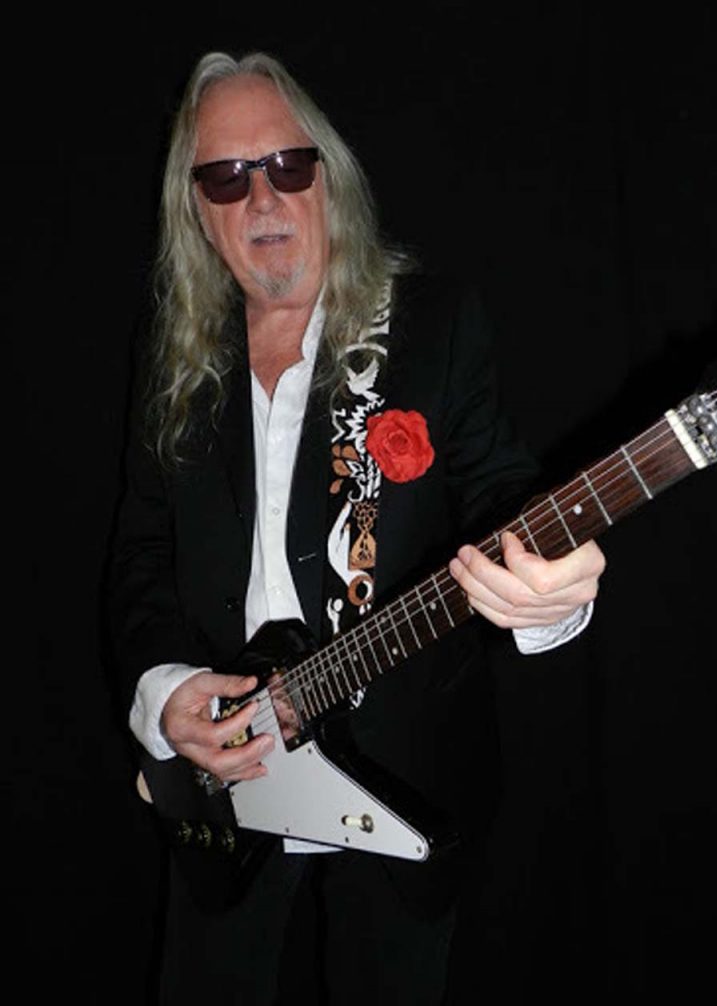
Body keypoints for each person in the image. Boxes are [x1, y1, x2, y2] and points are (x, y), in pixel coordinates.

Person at [109, 50, 605, 1005]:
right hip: (224, 776)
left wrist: (551, 601)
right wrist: (163, 694)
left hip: (401, 777)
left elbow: (507, 499)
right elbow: (139, 553)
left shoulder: (434, 326)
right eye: (228, 176)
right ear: (197, 210)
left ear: (328, 175)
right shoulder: (174, 356)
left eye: (287, 165)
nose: (264, 198)